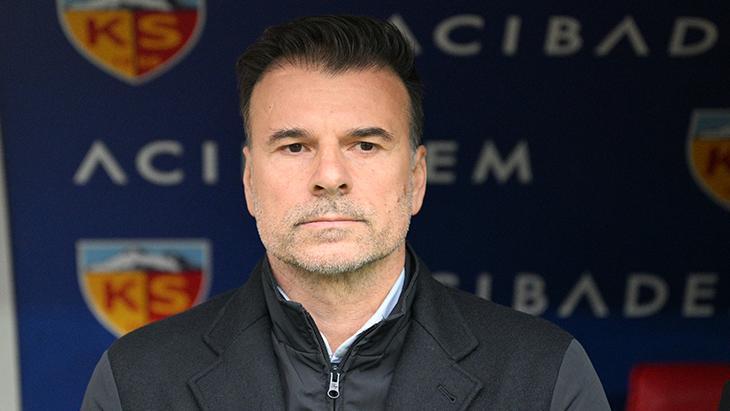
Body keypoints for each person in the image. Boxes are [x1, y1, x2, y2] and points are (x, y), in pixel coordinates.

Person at [82, 15, 610, 410]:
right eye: (294, 146)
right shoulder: (137, 382)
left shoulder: (544, 376)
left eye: (365, 145)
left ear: (416, 179)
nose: (330, 175)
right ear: (249, 181)